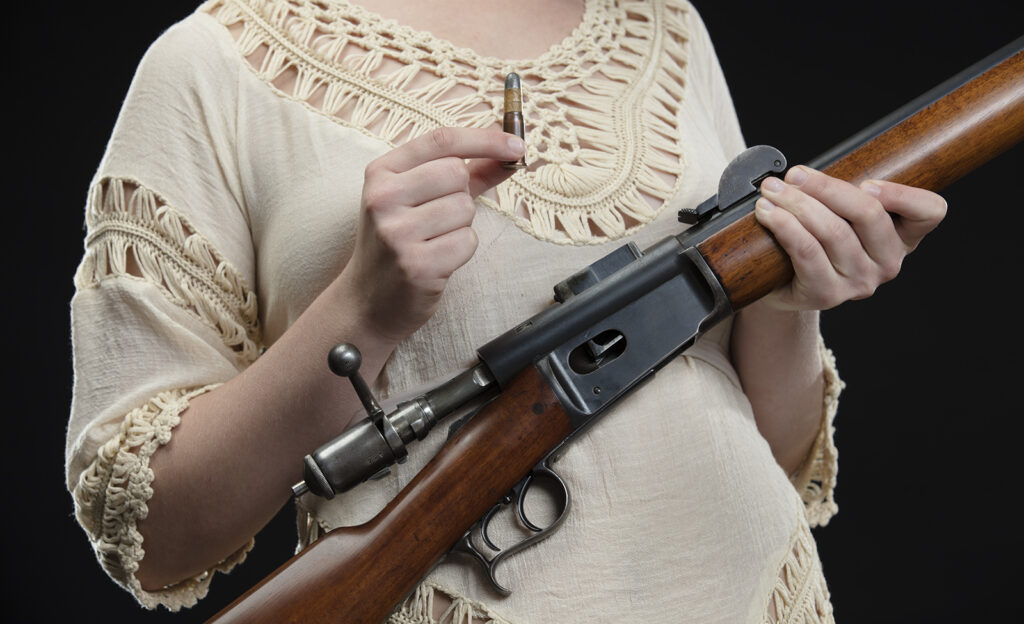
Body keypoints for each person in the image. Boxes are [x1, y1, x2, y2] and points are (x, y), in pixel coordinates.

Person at [64, 0, 946, 622]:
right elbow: (154, 534)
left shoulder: (663, 24)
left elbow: (776, 454)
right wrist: (365, 311)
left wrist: (790, 300)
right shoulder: (209, 66)